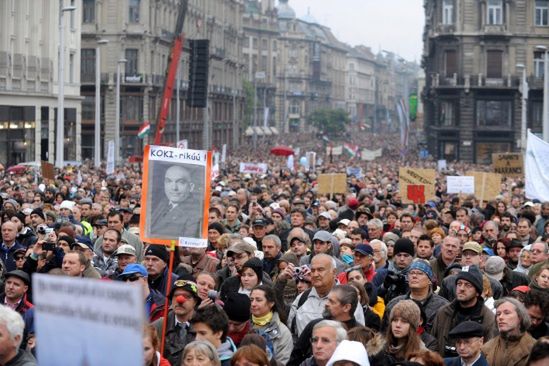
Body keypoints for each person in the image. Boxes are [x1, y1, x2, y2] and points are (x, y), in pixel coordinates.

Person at [288, 254, 365, 337]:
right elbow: (291, 330)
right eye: (313, 270)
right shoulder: (301, 299)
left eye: (320, 270)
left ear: (334, 272)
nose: (315, 274)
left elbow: (359, 335)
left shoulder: (348, 298)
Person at [432, 265, 497, 357]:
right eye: (459, 284)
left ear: (478, 292)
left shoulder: (488, 317)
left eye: (468, 285)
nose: (461, 288)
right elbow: (434, 344)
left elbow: (489, 352)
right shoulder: (443, 312)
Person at [289, 285, 361, 366]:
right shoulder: (315, 326)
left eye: (332, 301)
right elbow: (295, 358)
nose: (326, 304)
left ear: (346, 307)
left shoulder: (361, 334)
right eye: (315, 340)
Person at [382, 260, 448, 334]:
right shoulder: (395, 304)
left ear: (430, 280)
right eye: (411, 273)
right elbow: (384, 334)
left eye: (420, 273)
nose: (414, 276)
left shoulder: (442, 306)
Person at [152, 280, 200, 366]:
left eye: (186, 296)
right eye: (176, 296)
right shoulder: (159, 326)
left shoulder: (202, 327)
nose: (180, 300)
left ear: (195, 302)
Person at [150, 164, 202, 239]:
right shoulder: (162, 203)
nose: (174, 187)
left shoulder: (195, 212)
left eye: (180, 182)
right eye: (169, 181)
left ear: (191, 187)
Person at [482, 297, 536, 366]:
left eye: (506, 313)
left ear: (520, 318)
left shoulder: (535, 348)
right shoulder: (486, 348)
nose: (500, 317)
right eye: (498, 314)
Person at [250, 285, 293, 364]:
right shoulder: (244, 324)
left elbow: (282, 362)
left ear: (271, 303)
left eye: (258, 300)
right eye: (251, 300)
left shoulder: (283, 332)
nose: (253, 304)